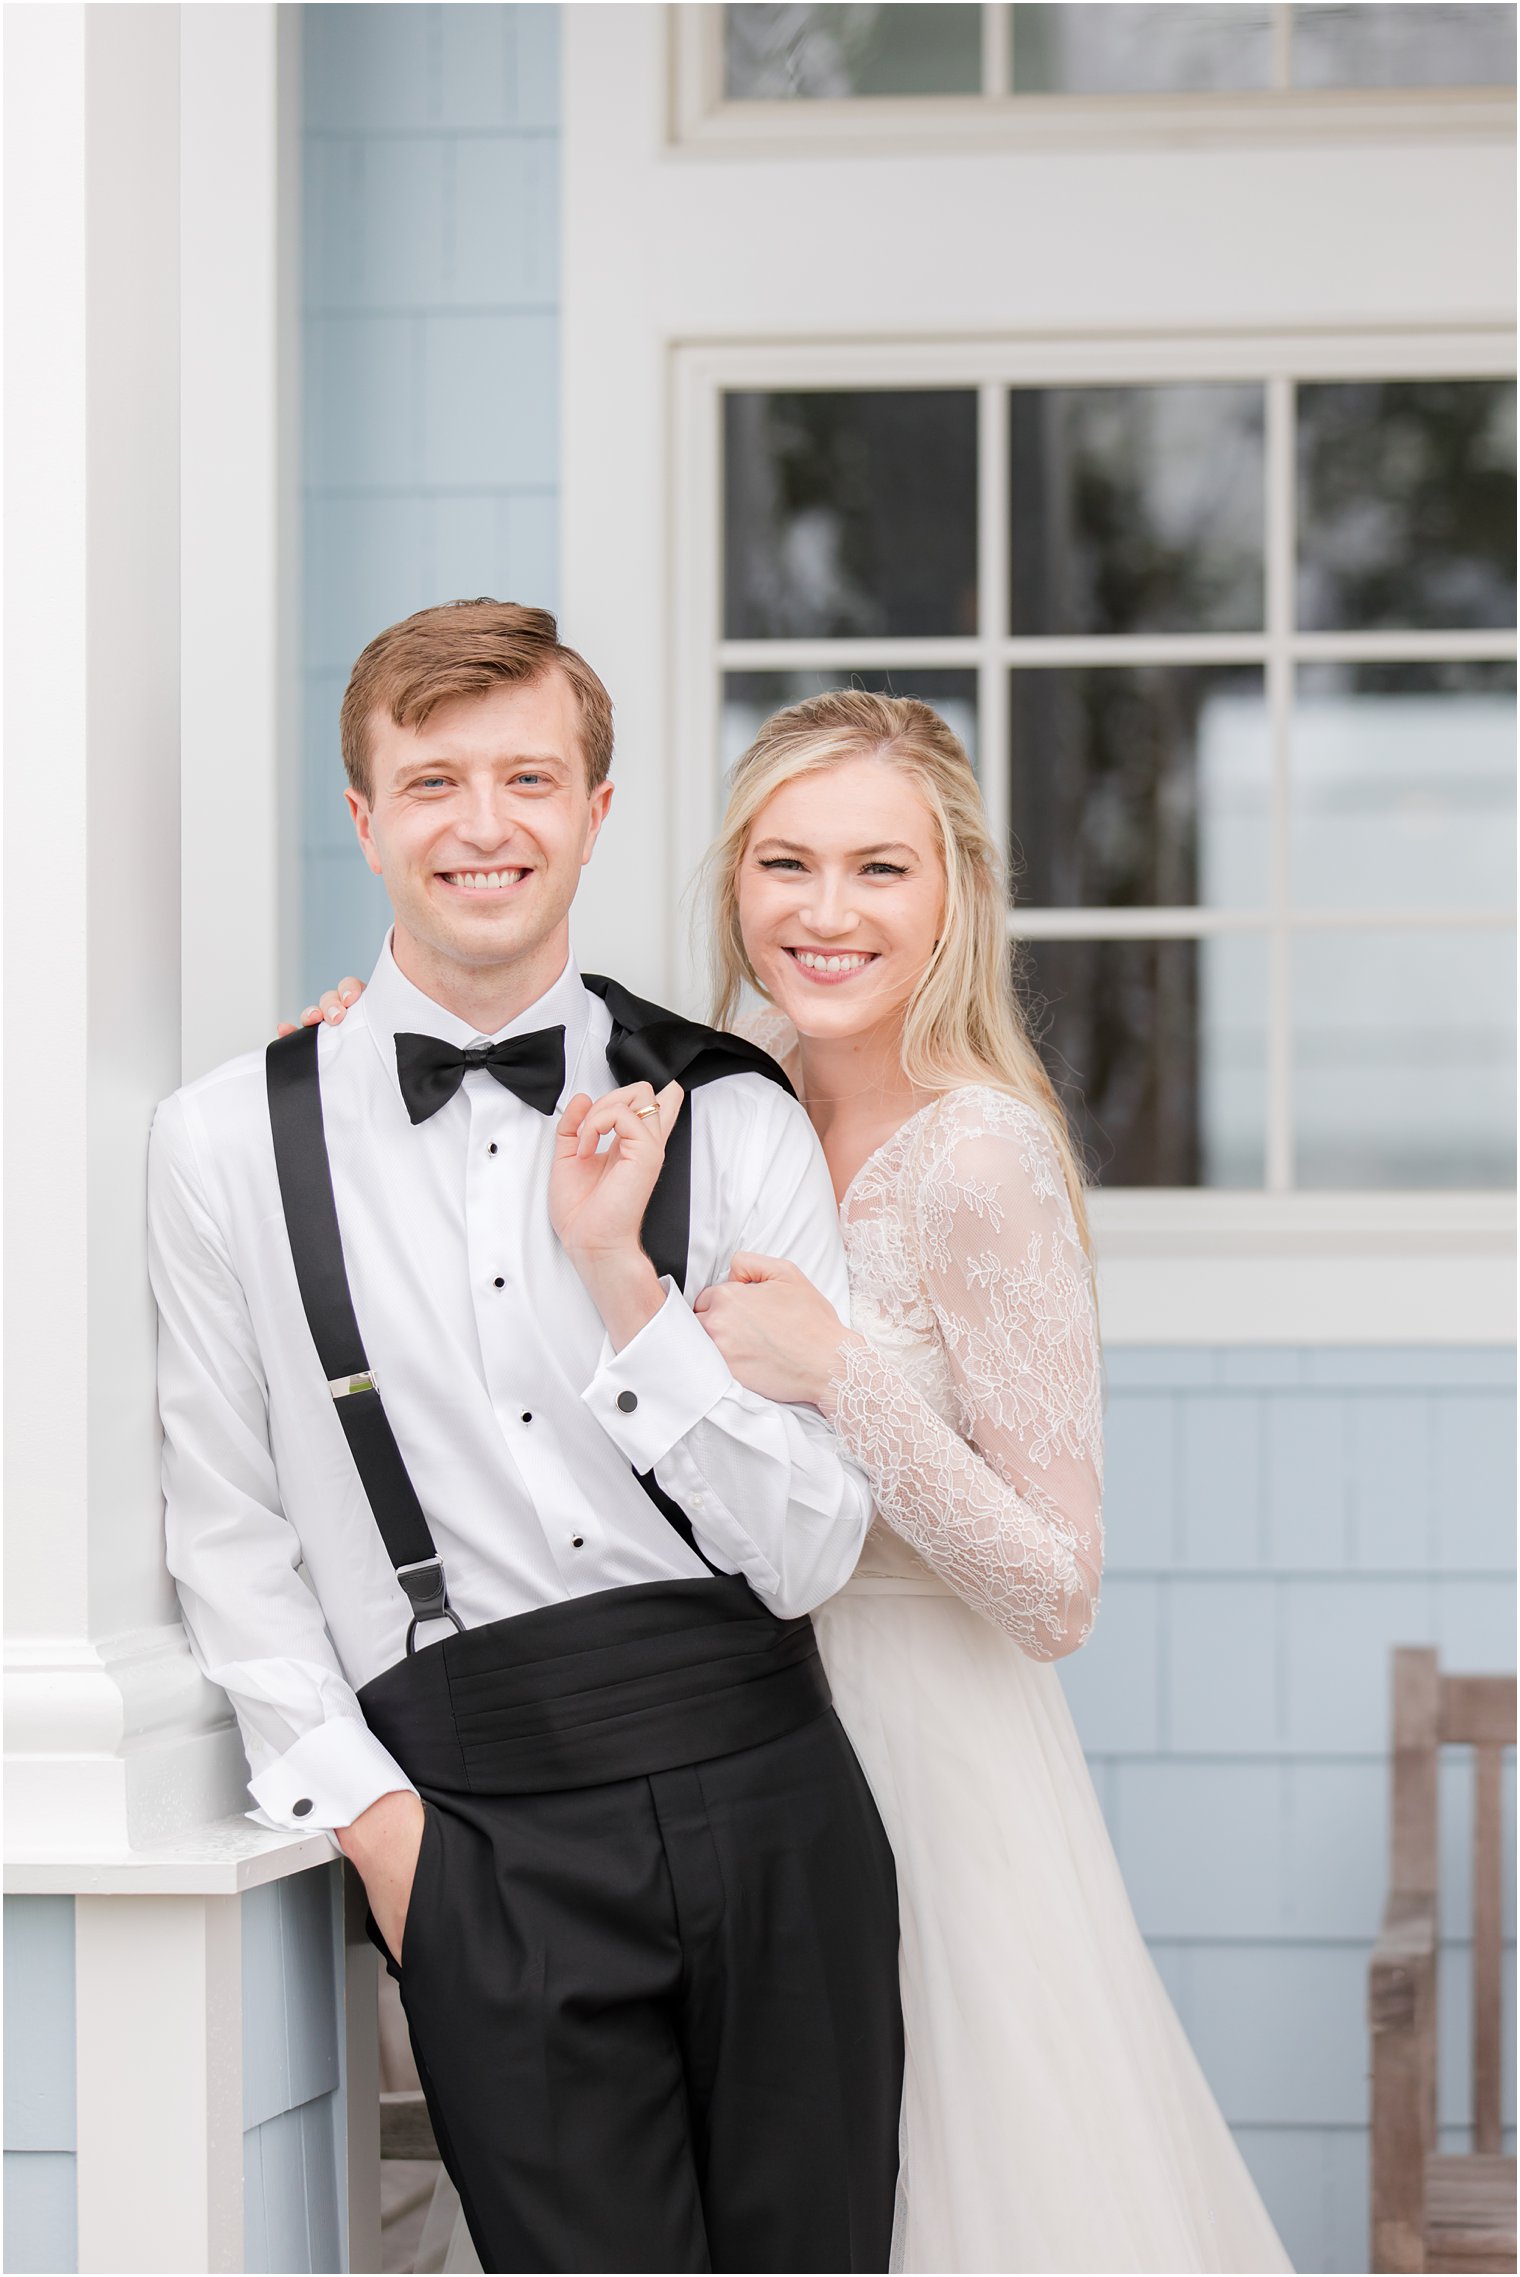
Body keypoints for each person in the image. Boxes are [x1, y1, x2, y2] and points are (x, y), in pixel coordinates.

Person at [309, 687, 1293, 2275]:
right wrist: (343, 1057)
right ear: (733, 882)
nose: (826, 914)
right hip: (699, 1746)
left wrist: (844, 1369)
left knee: (938, 2204)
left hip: (924, 1757)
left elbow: (1059, 1588)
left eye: (879, 870)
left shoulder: (979, 1160)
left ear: (954, 892)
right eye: (787, 864)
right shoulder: (703, 1097)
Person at [149, 604, 903, 2276]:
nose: (482, 825)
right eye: (431, 782)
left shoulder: (738, 1111)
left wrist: (624, 1289)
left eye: (527, 777)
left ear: (596, 808)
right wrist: (388, 1836)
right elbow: (230, 1527)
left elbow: (810, 1548)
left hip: (770, 1789)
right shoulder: (222, 1144)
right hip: (472, 1823)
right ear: (363, 818)